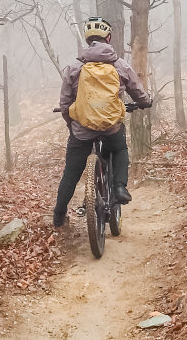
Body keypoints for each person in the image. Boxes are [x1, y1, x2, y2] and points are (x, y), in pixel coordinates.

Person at [54, 17, 152, 227]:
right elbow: (136, 90)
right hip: (110, 127)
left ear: (88, 40)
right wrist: (145, 102)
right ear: (108, 38)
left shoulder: (74, 67)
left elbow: (65, 102)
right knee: (119, 149)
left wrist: (70, 122)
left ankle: (59, 216)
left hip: (81, 130)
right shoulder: (119, 65)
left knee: (71, 172)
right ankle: (119, 187)